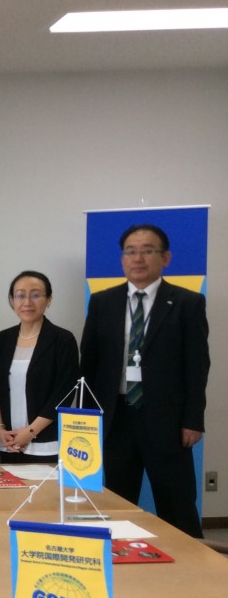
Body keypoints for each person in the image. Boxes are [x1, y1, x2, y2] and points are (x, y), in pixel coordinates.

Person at [80, 224, 209, 537]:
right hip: (116, 416)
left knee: (177, 503)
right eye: (130, 251)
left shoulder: (186, 302)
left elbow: (196, 365)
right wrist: (85, 418)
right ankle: (119, 557)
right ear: (122, 259)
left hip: (167, 419)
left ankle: (189, 560)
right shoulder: (102, 302)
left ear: (165, 258)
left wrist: (193, 419)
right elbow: (89, 363)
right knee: (116, 501)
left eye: (147, 250)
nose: (138, 258)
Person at [0, 271, 79, 464]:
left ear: (48, 299)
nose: (27, 302)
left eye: (35, 295)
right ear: (12, 301)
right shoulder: (1, 340)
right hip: (9, 440)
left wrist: (30, 432)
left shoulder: (62, 340)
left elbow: (64, 393)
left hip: (47, 443)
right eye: (20, 295)